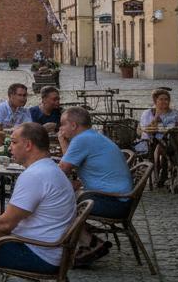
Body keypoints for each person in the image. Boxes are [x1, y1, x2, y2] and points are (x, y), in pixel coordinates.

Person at [0, 122, 76, 282]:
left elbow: (5, 224)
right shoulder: (49, 168)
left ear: (28, 145)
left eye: (13, 142)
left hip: (39, 253)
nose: (10, 147)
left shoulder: (35, 175)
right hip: (48, 248)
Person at [58, 104, 131, 266]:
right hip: (119, 199)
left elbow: (63, 169)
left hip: (114, 203)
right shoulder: (91, 136)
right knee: (66, 196)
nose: (60, 128)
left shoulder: (82, 139)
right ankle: (85, 240)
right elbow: (70, 164)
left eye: (63, 124)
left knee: (59, 204)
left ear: (73, 125)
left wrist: (61, 141)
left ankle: (91, 243)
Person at [137, 89, 178, 165]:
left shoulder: (175, 113)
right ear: (155, 101)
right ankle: (157, 166)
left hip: (171, 140)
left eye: (166, 99)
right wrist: (156, 117)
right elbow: (146, 129)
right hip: (150, 141)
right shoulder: (148, 113)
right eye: (161, 99)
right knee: (159, 145)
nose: (164, 101)